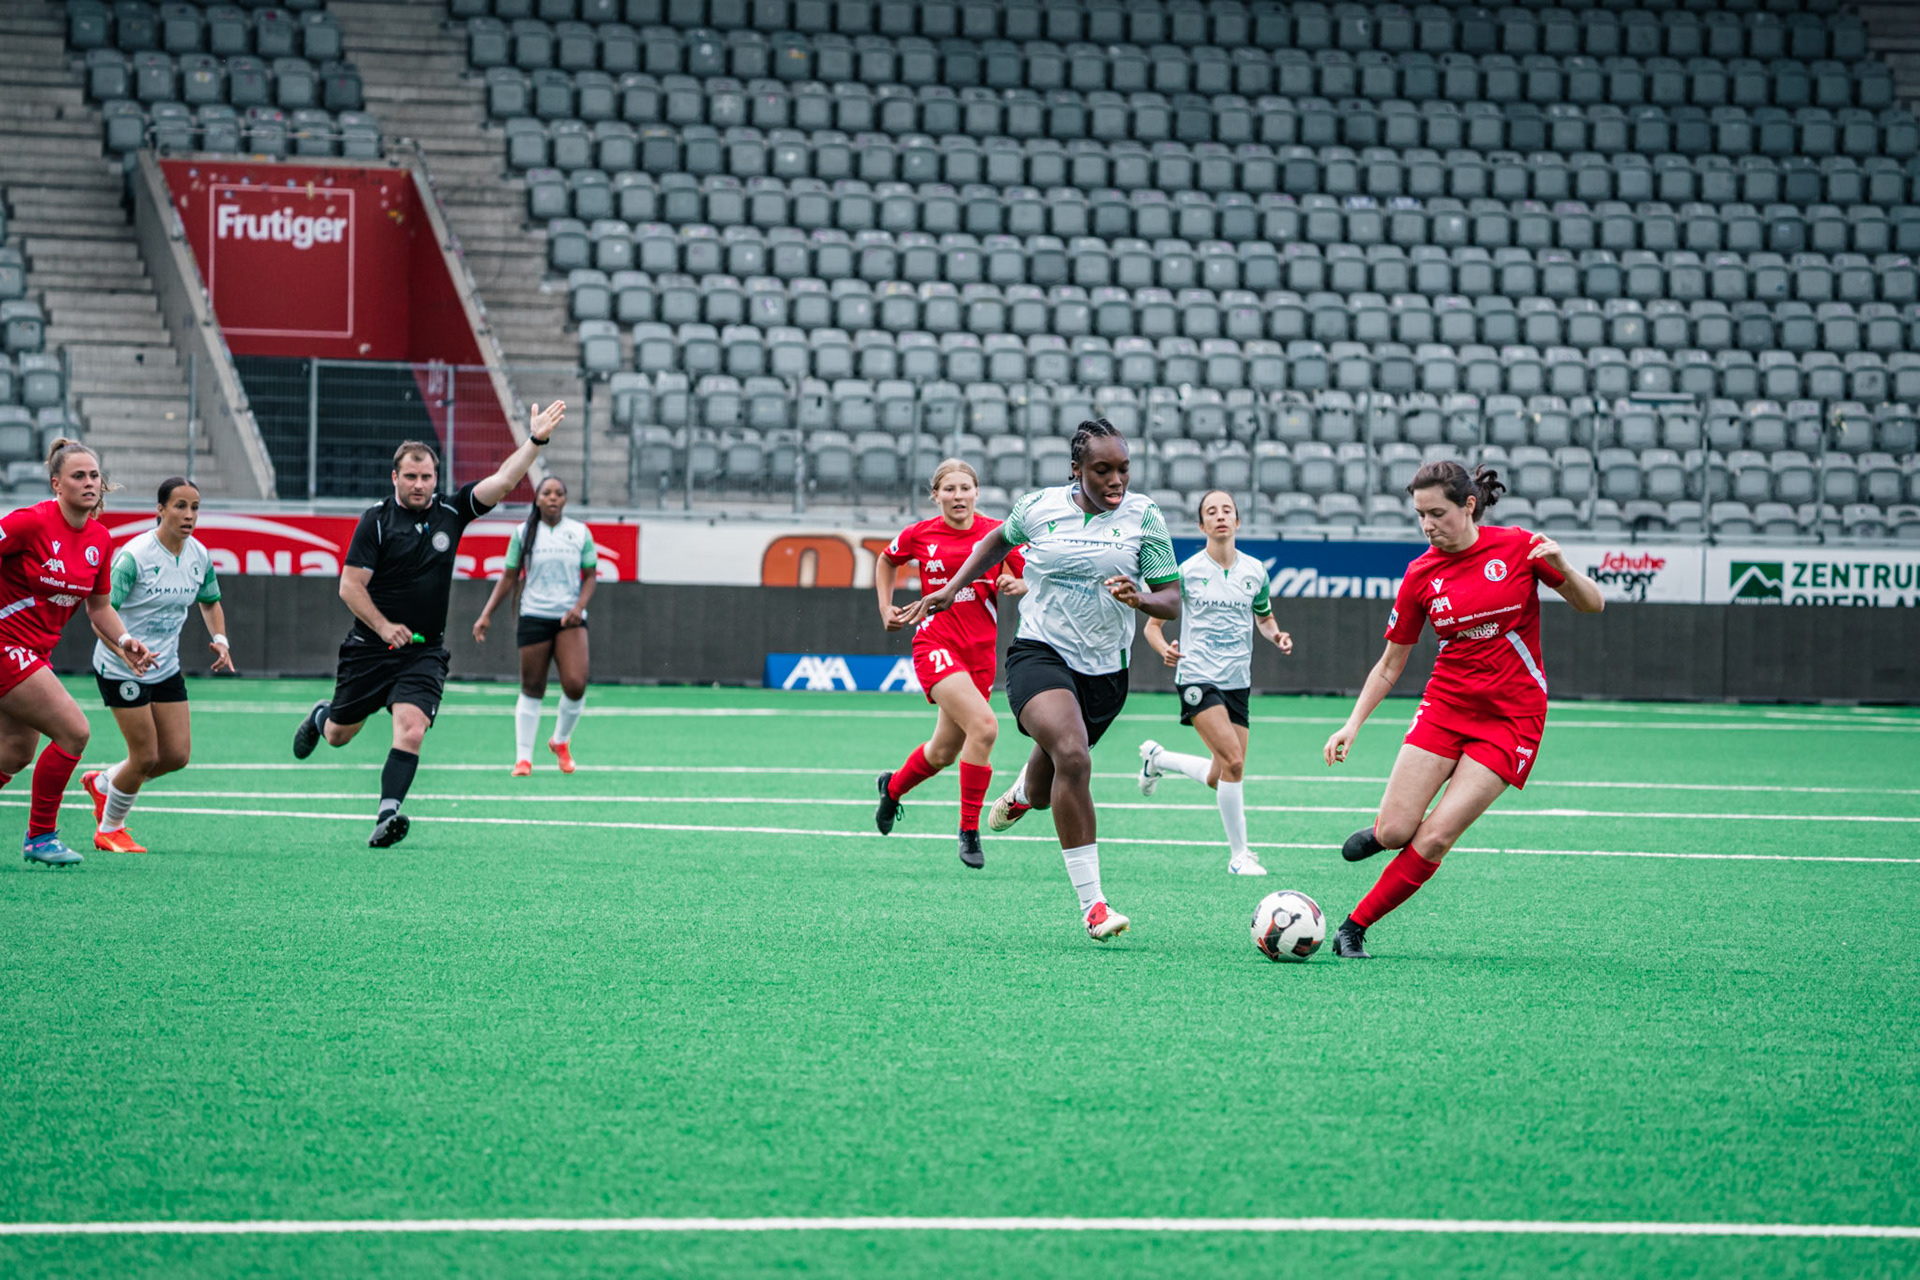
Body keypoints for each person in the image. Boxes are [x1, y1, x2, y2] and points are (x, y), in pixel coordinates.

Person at [903, 420, 1181, 941]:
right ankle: (1094, 905)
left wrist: (1139, 599)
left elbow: (1170, 596)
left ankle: (1022, 795)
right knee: (1074, 756)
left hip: (1105, 671)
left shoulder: (1144, 517)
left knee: (1047, 779)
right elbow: (992, 542)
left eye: (1123, 468)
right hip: (1040, 653)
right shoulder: (1038, 507)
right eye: (1103, 470)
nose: (1116, 479)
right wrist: (952, 589)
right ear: (1077, 471)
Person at [1321, 460, 1605, 958]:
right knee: (1396, 831)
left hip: (1512, 719)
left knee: (1433, 840)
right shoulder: (1420, 573)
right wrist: (1352, 724)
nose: (1427, 525)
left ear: (1468, 505)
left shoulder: (1518, 547)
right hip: (1446, 706)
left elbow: (1593, 604)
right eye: (1419, 515)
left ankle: (1354, 928)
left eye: (1437, 513)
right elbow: (1390, 664)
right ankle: (1388, 832)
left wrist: (1564, 569)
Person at [292, 402, 566, 848]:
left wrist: (535, 441)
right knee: (340, 735)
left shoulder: (452, 513)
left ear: (436, 479)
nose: (420, 485)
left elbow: (503, 481)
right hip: (369, 649)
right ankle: (322, 714)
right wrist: (382, 627)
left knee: (412, 728)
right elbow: (349, 586)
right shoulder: (376, 522)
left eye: (427, 477)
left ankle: (387, 814)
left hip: (423, 652)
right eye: (411, 477)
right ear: (395, 477)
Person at [0, 440, 154, 867]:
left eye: (94, 476)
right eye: (78, 476)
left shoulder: (101, 540)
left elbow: (100, 607)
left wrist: (124, 642)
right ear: (56, 484)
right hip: (4, 645)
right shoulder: (28, 523)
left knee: (14, 753)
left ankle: (40, 837)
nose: (90, 483)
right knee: (74, 731)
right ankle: (40, 836)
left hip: (34, 652)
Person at [872, 459, 1026, 869]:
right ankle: (969, 830)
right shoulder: (920, 535)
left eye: (965, 489)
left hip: (980, 654)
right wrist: (885, 606)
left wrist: (1018, 583)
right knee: (986, 727)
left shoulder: (999, 534)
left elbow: (1030, 577)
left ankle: (892, 789)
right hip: (936, 643)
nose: (958, 497)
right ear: (936, 495)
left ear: (977, 493)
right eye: (949, 490)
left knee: (942, 752)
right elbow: (887, 560)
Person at [1136, 490, 1293, 877]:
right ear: (1202, 525)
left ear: (1237, 522)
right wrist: (1164, 650)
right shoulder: (1185, 572)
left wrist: (1276, 636)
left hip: (1237, 680)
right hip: (1197, 677)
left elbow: (1265, 617)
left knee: (1219, 774)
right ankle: (1239, 856)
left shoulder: (1255, 571)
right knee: (1234, 763)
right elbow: (1152, 627)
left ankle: (1158, 759)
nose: (1220, 516)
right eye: (1211, 511)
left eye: (1227, 510)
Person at [80, 476, 234, 854]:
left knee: (176, 756)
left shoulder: (198, 555)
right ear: (160, 510)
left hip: (165, 667)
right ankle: (110, 828)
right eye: (180, 506)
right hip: (121, 669)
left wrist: (220, 639)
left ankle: (105, 783)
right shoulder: (134, 558)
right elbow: (101, 616)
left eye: (195, 507)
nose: (188, 515)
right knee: (145, 756)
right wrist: (123, 653)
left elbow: (210, 601)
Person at [472, 476, 596, 776]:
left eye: (559, 493)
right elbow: (509, 577)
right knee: (532, 687)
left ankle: (560, 741)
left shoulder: (579, 532)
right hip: (534, 616)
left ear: (565, 499)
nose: (553, 498)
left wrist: (578, 608)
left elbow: (590, 575)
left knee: (576, 685)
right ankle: (523, 758)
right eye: (547, 493)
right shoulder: (523, 533)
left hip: (570, 619)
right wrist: (486, 614)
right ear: (537, 498)